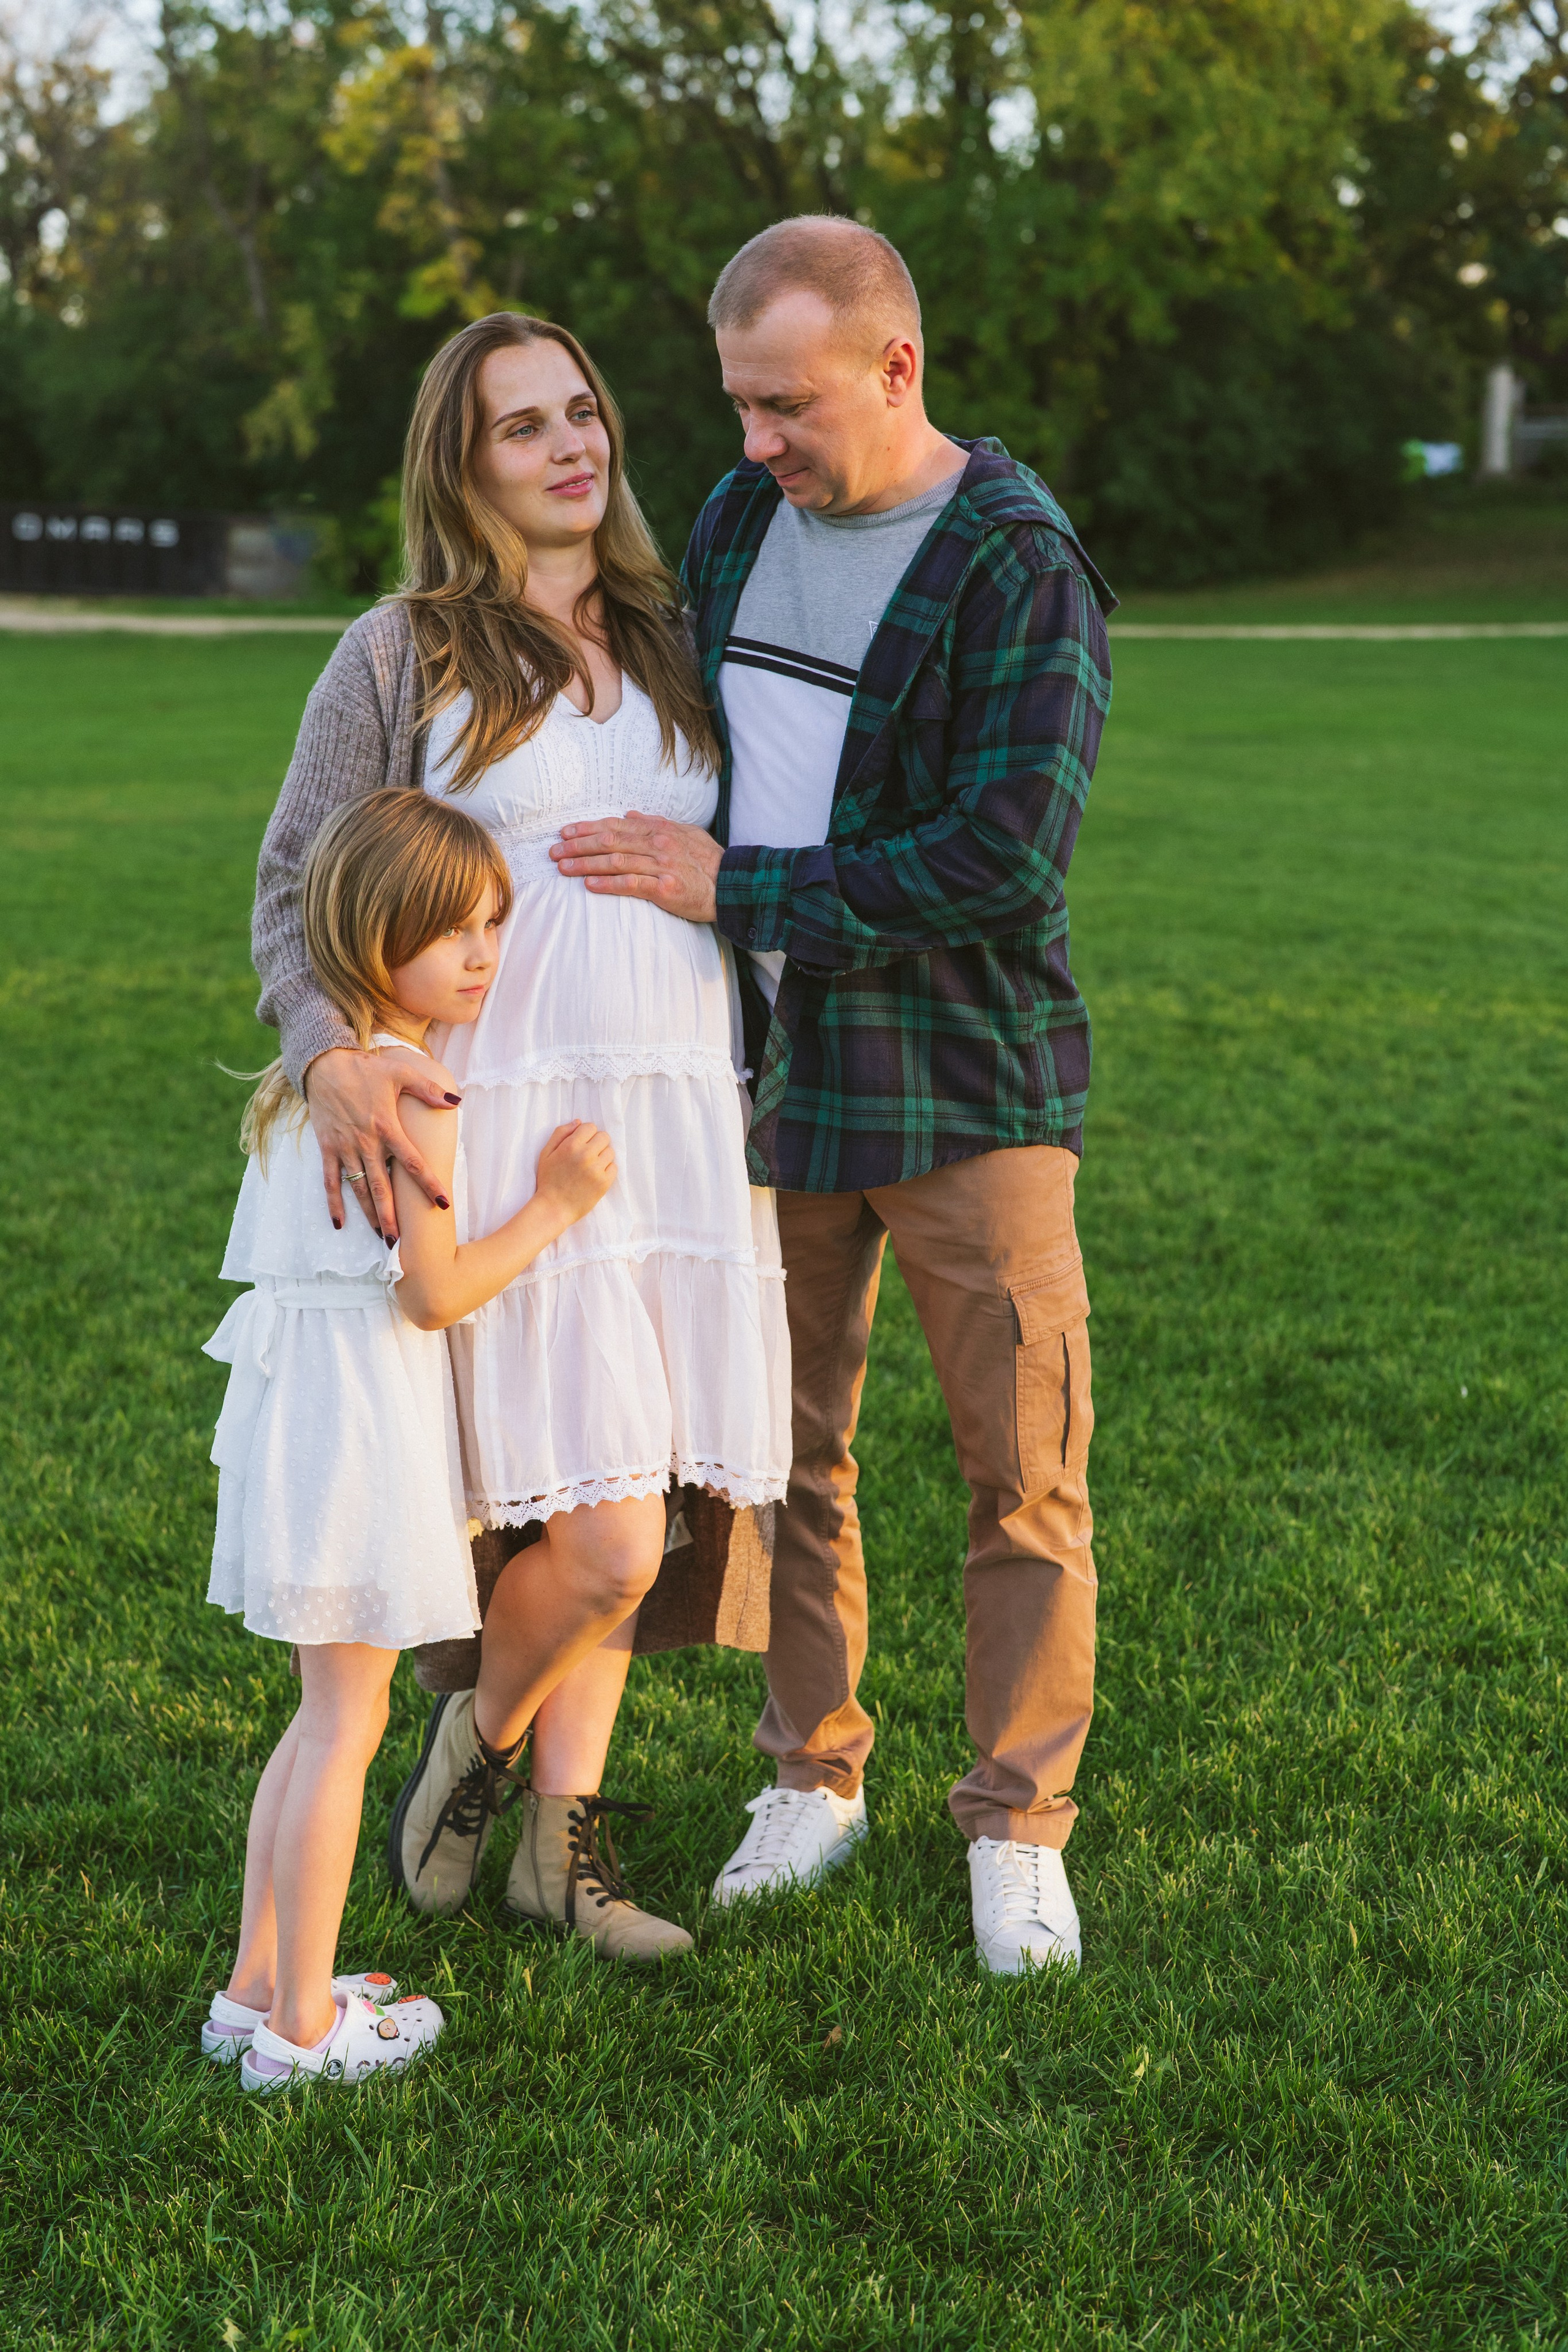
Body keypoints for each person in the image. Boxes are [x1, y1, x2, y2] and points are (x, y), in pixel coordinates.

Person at [551, 216, 1115, 1975]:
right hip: (771, 1079)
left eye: (784, 404)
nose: (752, 447)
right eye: (735, 405)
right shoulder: (737, 524)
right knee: (780, 1450)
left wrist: (741, 891)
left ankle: (1018, 1823)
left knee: (1019, 1469)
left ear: (897, 367)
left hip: (970, 1083)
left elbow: (1001, 861)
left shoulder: (1018, 561)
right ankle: (813, 1770)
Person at [250, 312, 791, 1959]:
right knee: (602, 1522)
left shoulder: (682, 636)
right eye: (521, 427)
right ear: (461, 463)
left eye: (584, 414)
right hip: (506, 1131)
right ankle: (472, 1751)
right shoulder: (399, 651)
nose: (572, 447)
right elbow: (296, 887)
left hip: (676, 1124)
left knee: (641, 1508)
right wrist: (333, 1053)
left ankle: (568, 1851)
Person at [203, 788, 617, 2090]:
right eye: (452, 933)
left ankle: (254, 1990)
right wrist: (553, 1206)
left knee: (321, 1714)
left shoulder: (305, 1081)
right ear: (374, 939)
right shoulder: (417, 1088)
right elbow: (431, 1290)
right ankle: (301, 2035)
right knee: (345, 1725)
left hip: (295, 1413)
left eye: (494, 923)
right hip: (359, 1429)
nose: (485, 953)